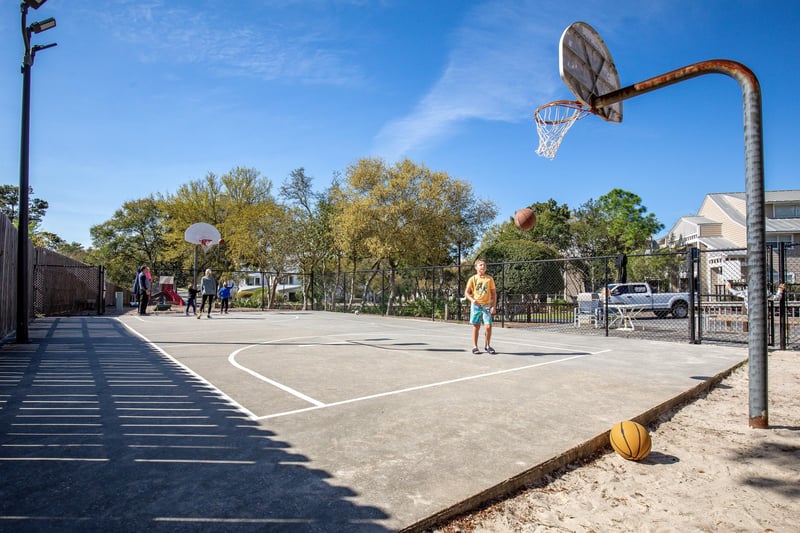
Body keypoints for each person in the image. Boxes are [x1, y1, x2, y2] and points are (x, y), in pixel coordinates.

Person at [465, 258, 497, 354]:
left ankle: (487, 346)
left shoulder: (489, 279)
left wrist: (493, 306)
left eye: (484, 265)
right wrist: (472, 300)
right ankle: (475, 346)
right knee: (476, 326)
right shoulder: (472, 279)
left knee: (488, 326)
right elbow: (466, 293)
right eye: (480, 265)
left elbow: (494, 294)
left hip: (487, 306)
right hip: (476, 306)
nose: (483, 266)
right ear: (476, 267)